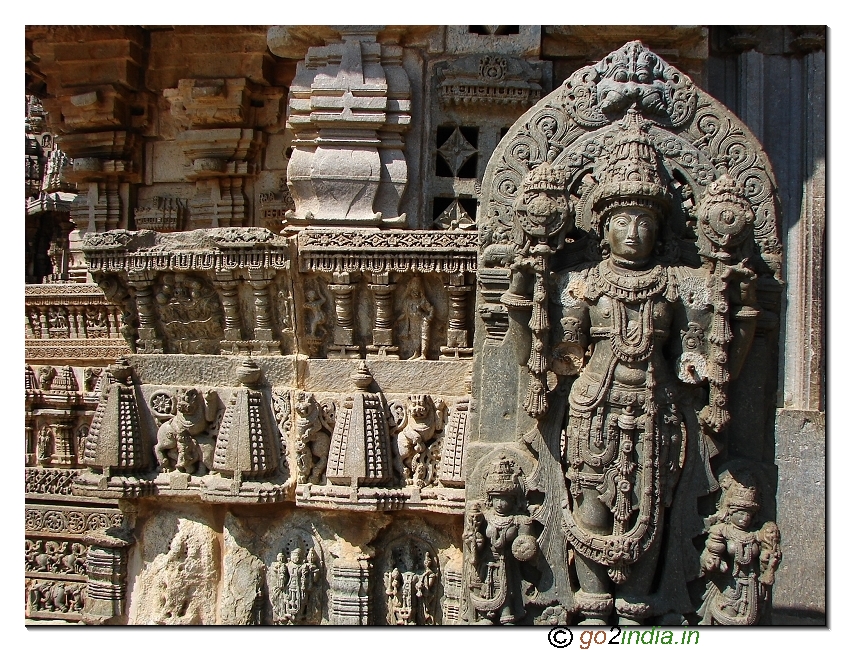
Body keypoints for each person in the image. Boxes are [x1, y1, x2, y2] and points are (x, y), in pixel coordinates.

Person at [554, 113, 758, 624]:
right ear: (602, 227)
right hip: (593, 408)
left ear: (660, 227)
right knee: (593, 502)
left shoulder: (677, 283)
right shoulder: (582, 282)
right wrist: (530, 298)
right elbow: (559, 351)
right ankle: (593, 608)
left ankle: (640, 610)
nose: (633, 232)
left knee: (653, 504)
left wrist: (733, 306)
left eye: (645, 221)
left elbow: (698, 350)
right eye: (621, 220)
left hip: (657, 411)